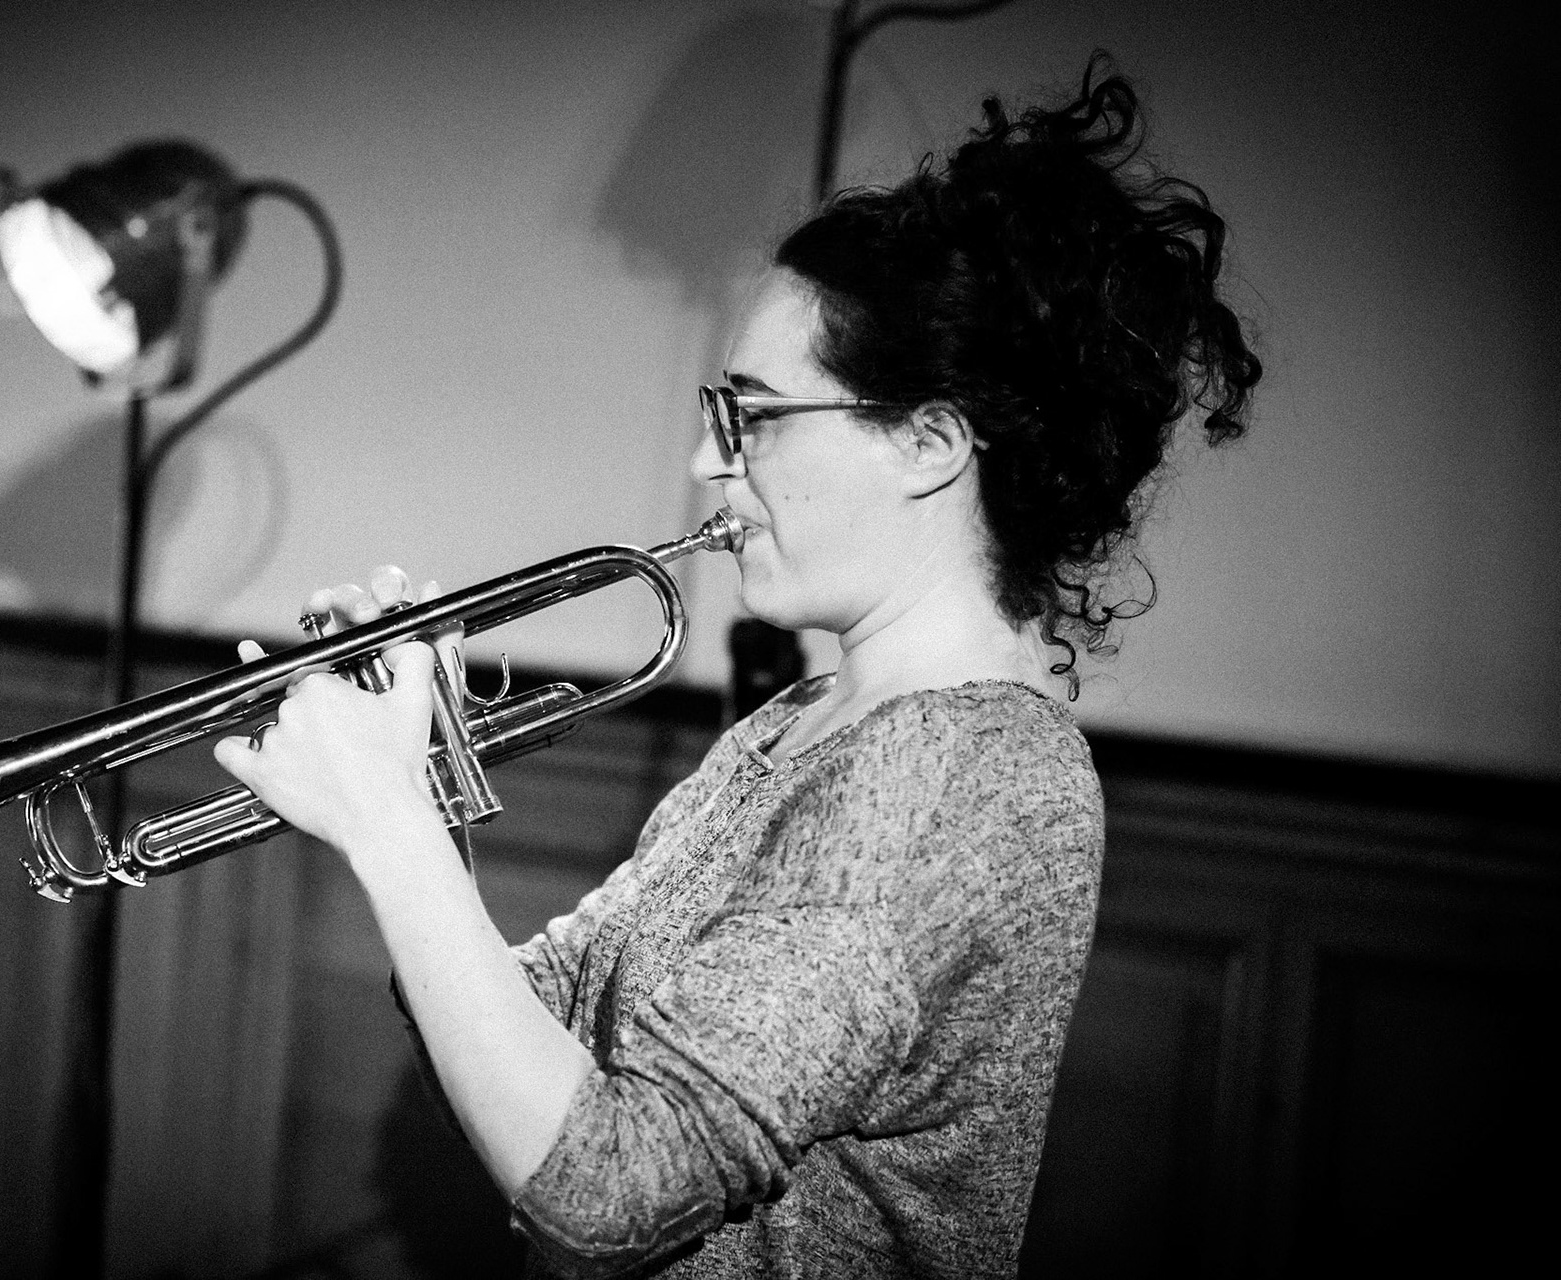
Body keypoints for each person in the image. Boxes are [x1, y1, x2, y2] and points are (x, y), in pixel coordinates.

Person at [215, 57, 1260, 1280]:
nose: (715, 464)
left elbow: (602, 1194)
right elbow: (538, 1023)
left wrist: (386, 827)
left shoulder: (956, 776)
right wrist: (420, 774)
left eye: (755, 416)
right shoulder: (807, 720)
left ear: (927, 443)